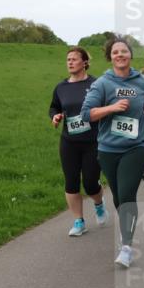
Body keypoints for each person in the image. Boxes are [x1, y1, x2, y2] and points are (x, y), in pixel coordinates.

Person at [81, 36, 144, 269]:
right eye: (115, 52)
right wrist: (112, 107)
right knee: (118, 196)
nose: (120, 55)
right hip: (108, 148)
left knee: (127, 194)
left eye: (124, 51)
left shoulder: (141, 80)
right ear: (110, 57)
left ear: (130, 55)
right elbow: (86, 114)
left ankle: (126, 247)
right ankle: (126, 233)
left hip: (136, 146)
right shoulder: (103, 84)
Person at [50, 47, 109, 236]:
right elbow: (54, 107)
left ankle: (99, 203)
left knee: (91, 183)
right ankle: (79, 221)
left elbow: (106, 106)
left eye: (74, 59)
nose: (70, 62)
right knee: (71, 182)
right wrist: (56, 116)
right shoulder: (61, 87)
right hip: (69, 141)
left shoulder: (96, 84)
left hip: (93, 141)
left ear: (85, 62)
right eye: (68, 59)